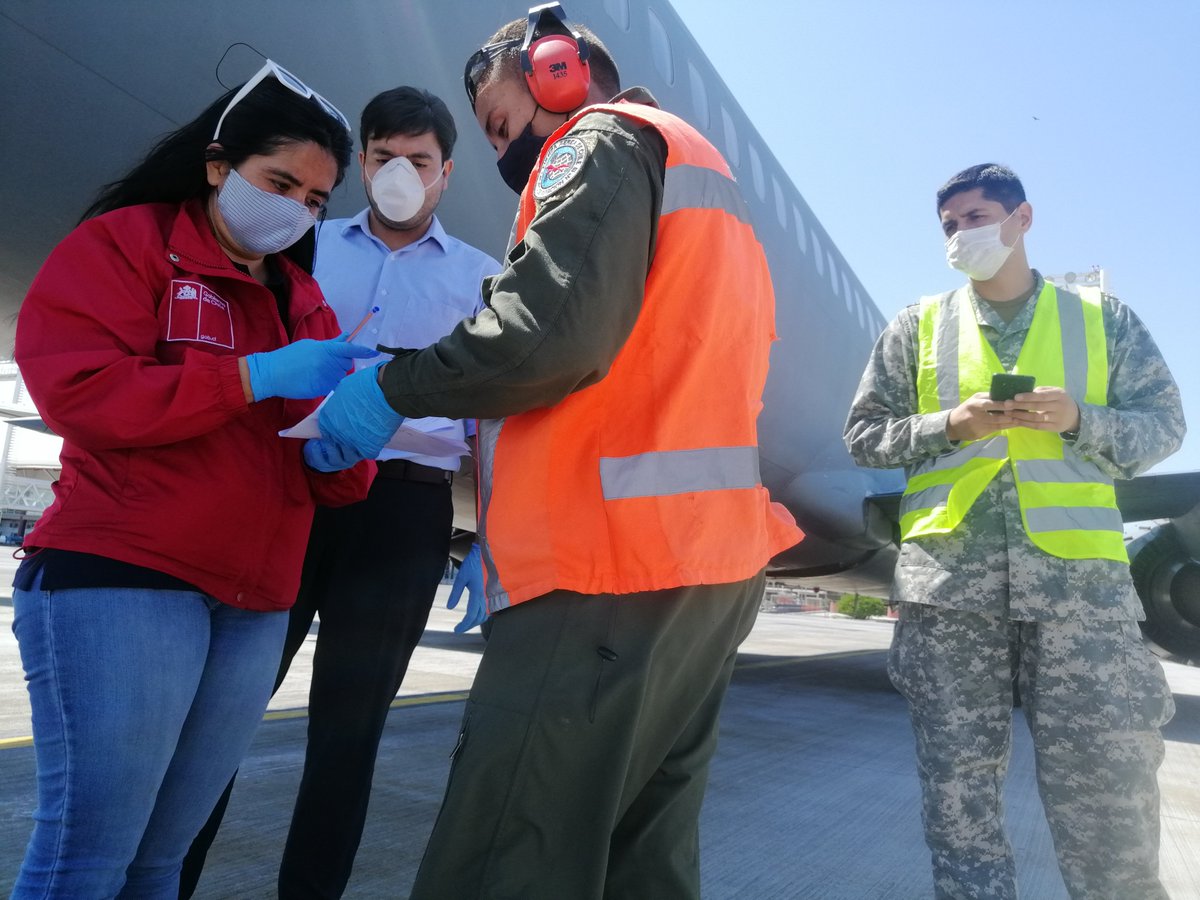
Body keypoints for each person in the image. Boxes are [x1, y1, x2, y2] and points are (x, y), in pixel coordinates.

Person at [306, 4, 804, 896]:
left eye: (498, 120)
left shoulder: (596, 145)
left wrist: (388, 390)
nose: (503, 151)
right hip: (705, 566)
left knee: (505, 856)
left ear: (554, 71)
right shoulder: (702, 174)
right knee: (639, 864)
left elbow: (542, 341)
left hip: (607, 571)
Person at [9, 59, 375, 898]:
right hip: (126, 579)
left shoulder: (305, 299)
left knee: (160, 863)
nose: (295, 212)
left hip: (253, 604)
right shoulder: (126, 245)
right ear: (219, 165)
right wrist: (249, 377)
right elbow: (83, 393)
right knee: (86, 856)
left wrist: (350, 440)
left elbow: (326, 486)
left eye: (316, 201)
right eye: (279, 182)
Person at [178, 85, 501, 900]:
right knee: (221, 718)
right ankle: (165, 882)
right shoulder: (304, 247)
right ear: (361, 162)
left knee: (347, 737)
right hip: (293, 491)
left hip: (403, 510)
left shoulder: (483, 280)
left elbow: (495, 424)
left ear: (445, 173)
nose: (400, 173)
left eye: (418, 161)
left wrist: (493, 536)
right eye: (385, 157)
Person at [844, 163, 1183, 899]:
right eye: (950, 225)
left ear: (1022, 218)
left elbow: (1165, 427)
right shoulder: (917, 326)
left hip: (1080, 597)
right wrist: (948, 425)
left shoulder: (1104, 319)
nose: (962, 234)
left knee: (1109, 802)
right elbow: (864, 437)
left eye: (976, 216)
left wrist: (1080, 420)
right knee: (958, 805)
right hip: (950, 593)